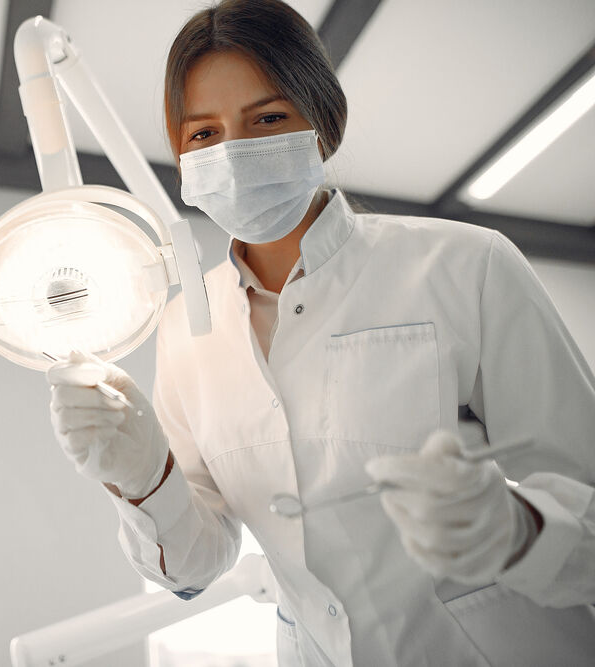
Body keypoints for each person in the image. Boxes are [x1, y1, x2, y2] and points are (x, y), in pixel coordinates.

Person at [46, 1, 595, 664]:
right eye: (204, 134)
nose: (235, 152)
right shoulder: (183, 328)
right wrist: (143, 479)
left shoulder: (467, 267)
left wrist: (517, 531)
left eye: (267, 119)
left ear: (324, 126)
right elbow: (198, 558)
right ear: (181, 157)